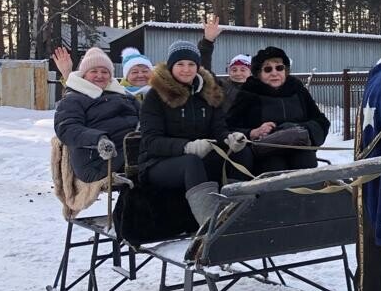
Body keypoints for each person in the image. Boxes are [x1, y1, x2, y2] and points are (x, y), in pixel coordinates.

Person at [139, 40, 252, 225]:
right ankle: (211, 226)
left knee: (241, 152)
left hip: (202, 157)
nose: (186, 69)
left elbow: (218, 128)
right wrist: (186, 147)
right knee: (191, 162)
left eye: (191, 64)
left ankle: (235, 213)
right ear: (171, 66)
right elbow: (151, 141)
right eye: (180, 64)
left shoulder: (209, 93)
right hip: (158, 163)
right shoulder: (156, 95)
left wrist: (230, 139)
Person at [227, 46, 330, 175]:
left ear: (285, 70)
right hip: (264, 155)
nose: (274, 73)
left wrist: (301, 129)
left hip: (300, 150)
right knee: (274, 165)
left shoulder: (297, 90)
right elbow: (229, 127)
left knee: (305, 162)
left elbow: (321, 121)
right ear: (259, 73)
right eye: (268, 69)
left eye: (279, 68)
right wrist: (253, 132)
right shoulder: (248, 93)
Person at [53, 47, 140, 183]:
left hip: (133, 150)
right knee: (153, 169)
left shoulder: (123, 95)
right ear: (84, 75)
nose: (100, 75)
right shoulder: (74, 98)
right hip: (99, 159)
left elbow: (146, 116)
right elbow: (66, 127)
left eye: (104, 72)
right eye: (94, 71)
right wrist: (98, 140)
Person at [197, 14, 249, 113]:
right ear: (229, 71)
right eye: (234, 69)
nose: (238, 73)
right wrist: (207, 41)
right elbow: (204, 70)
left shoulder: (258, 88)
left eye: (243, 70)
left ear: (250, 72)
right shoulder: (221, 87)